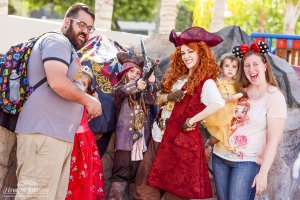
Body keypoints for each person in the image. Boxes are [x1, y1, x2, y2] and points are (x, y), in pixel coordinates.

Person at [14, 3, 102, 199]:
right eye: (81, 24)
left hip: (55, 137)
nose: (85, 31)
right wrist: (88, 100)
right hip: (44, 135)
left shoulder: (67, 48)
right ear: (66, 21)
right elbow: (57, 82)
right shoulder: (56, 41)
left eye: (89, 28)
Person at [147, 26, 225, 200]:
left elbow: (218, 103)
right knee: (148, 188)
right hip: (162, 137)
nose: (186, 56)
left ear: (201, 54)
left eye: (190, 52)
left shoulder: (206, 82)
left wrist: (192, 120)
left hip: (182, 144)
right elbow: (159, 99)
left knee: (176, 194)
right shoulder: (180, 77)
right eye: (183, 53)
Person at [212, 41, 287, 200]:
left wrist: (263, 173)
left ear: (265, 66)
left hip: (247, 162)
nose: (251, 69)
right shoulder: (238, 91)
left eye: (255, 64)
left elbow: (274, 140)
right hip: (219, 157)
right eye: (246, 65)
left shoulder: (275, 97)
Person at [108, 52, 162, 199]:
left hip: (141, 142)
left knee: (136, 177)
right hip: (124, 142)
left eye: (138, 73)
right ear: (125, 71)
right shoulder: (119, 89)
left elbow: (154, 97)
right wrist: (136, 85)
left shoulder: (143, 92)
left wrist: (152, 81)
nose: (134, 74)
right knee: (120, 175)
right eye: (131, 71)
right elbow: (123, 91)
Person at [66, 66, 105, 199]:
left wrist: (95, 99)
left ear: (88, 89)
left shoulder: (85, 102)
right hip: (69, 138)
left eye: (84, 84)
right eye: (77, 81)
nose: (79, 85)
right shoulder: (66, 98)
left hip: (83, 142)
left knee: (84, 172)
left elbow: (97, 112)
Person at [204, 54, 243, 155]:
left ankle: (212, 145)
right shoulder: (217, 82)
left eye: (234, 67)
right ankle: (209, 144)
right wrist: (230, 98)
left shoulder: (237, 84)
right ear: (221, 68)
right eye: (227, 66)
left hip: (230, 113)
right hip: (219, 112)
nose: (230, 69)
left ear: (238, 69)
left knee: (227, 131)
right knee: (219, 131)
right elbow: (212, 97)